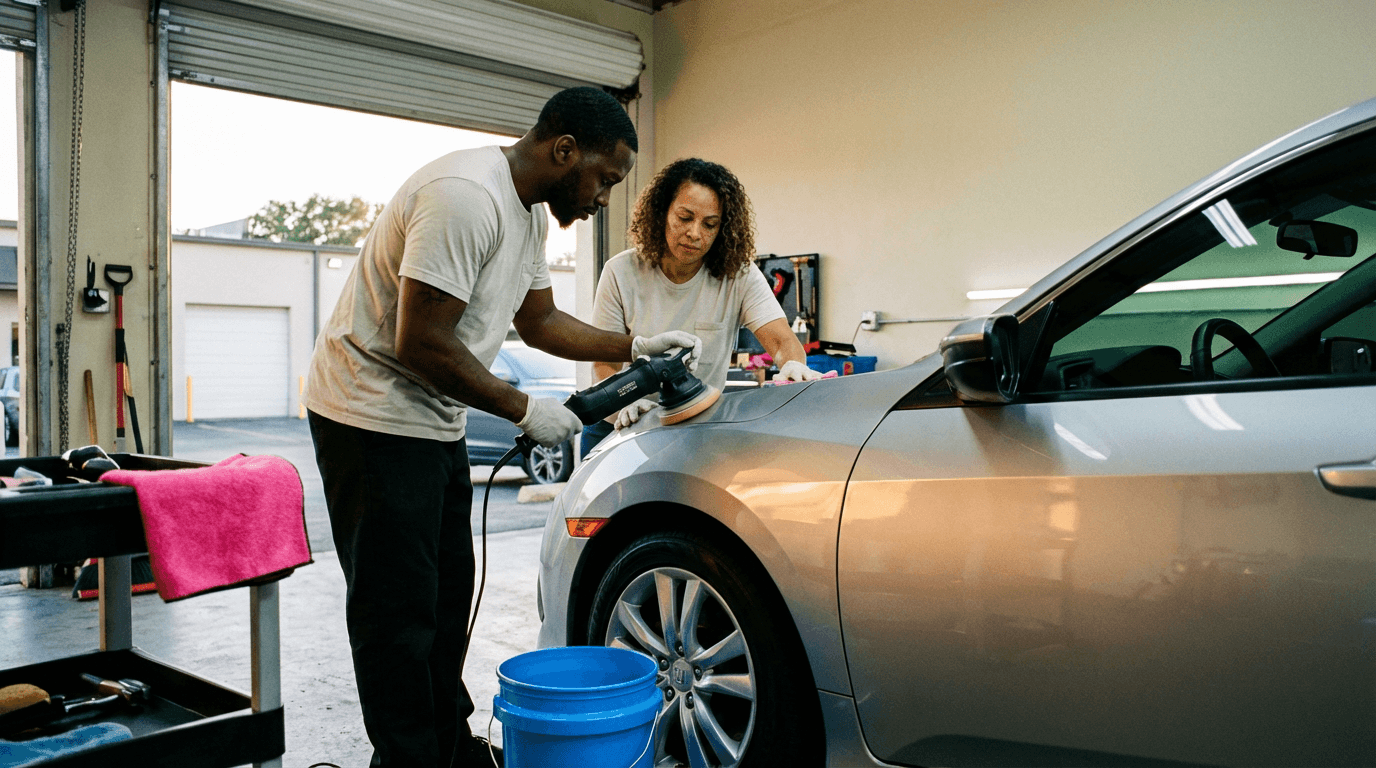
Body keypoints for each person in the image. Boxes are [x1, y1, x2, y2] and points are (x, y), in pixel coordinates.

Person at [302, 86, 700, 768]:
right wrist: (523, 409)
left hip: (433, 419)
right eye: (603, 178)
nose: (604, 197)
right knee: (398, 615)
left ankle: (448, 747)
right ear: (564, 150)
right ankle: (408, 759)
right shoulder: (466, 197)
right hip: (368, 414)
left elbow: (539, 321)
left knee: (448, 595)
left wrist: (634, 345)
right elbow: (419, 342)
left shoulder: (528, 217)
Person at [580, 157, 822, 457]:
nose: (695, 233)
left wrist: (792, 365)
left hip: (693, 426)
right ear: (661, 213)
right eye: (684, 217)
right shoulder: (621, 272)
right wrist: (623, 405)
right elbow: (603, 363)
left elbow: (782, 339)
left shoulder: (739, 274)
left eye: (709, 224)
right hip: (619, 426)